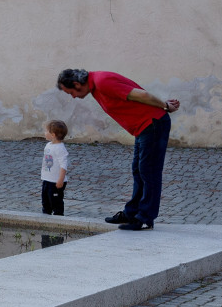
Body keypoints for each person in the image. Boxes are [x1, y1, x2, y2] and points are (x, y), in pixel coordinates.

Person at [56, 68, 179, 230]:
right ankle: (131, 213)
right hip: (144, 128)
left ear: (77, 84)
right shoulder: (96, 85)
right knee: (139, 170)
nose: (73, 96)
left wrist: (165, 106)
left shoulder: (102, 82)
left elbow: (143, 95)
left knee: (149, 172)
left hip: (153, 124)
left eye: (70, 92)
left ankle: (145, 217)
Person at [40, 120, 69, 216]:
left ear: (53, 134)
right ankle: (46, 216)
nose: (44, 133)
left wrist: (60, 180)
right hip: (47, 179)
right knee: (45, 200)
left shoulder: (60, 148)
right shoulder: (48, 145)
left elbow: (63, 165)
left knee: (56, 201)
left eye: (46, 131)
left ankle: (58, 217)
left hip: (56, 182)